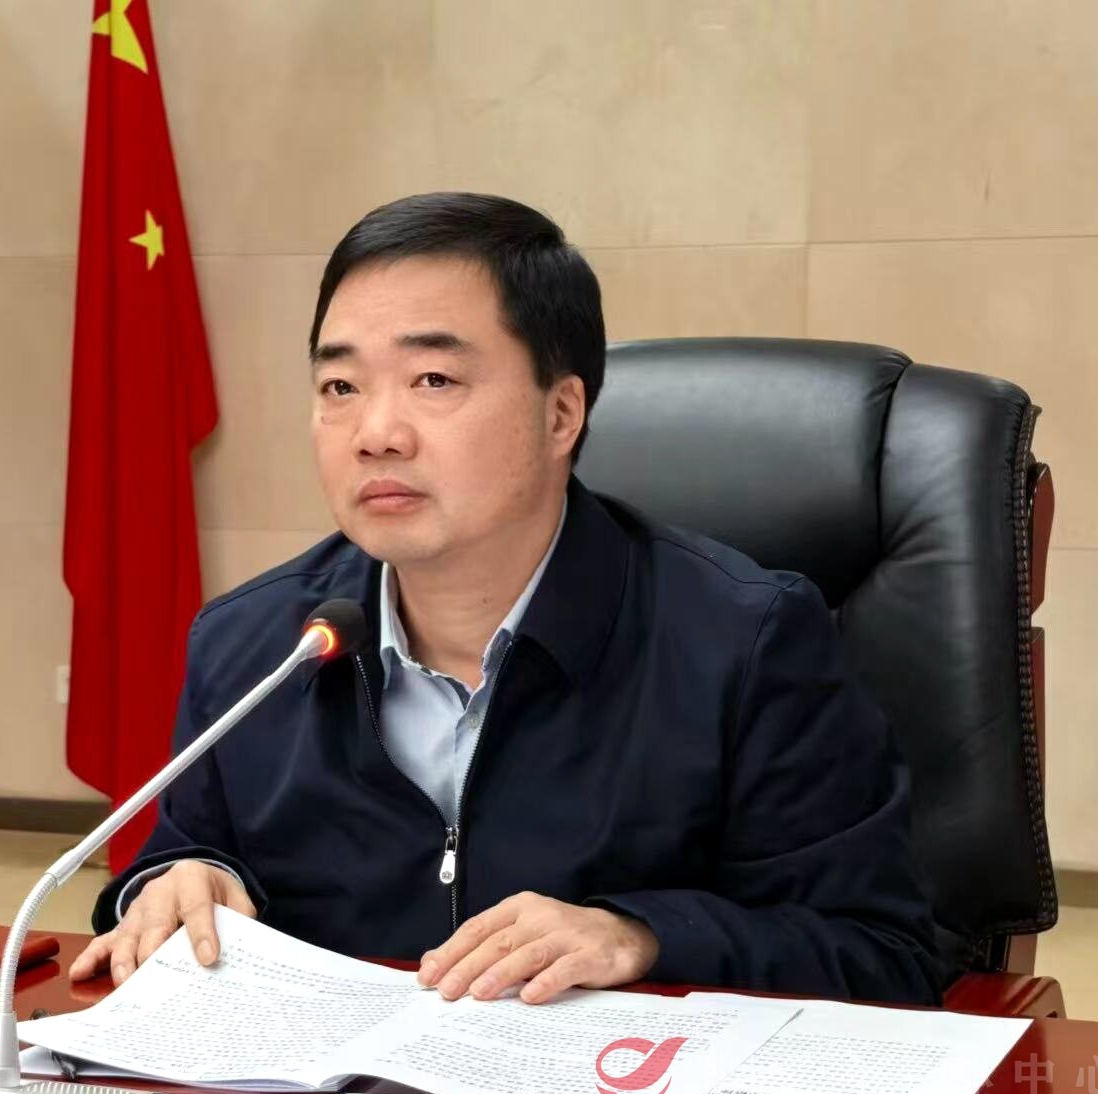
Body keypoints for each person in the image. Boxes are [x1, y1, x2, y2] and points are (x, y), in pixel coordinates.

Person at [69, 192, 944, 1007]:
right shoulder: (257, 643)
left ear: (561, 415)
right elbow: (187, 858)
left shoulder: (743, 641)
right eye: (340, 387)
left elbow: (882, 955)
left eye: (434, 380)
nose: (376, 433)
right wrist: (176, 884)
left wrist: (641, 935)